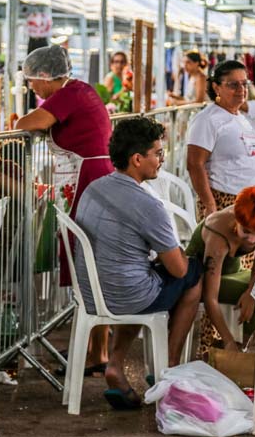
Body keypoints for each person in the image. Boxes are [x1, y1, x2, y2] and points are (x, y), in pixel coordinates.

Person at [74, 116, 202, 409]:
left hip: (92, 294)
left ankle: (115, 365)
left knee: (140, 275)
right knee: (194, 274)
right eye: (157, 153)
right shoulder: (148, 205)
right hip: (126, 295)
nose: (162, 159)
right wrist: (181, 252)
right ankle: (166, 367)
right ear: (136, 158)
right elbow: (178, 269)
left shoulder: (93, 188)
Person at [15, 44, 114, 375]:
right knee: (90, 267)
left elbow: (30, 122)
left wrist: (21, 119)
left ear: (45, 76)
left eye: (32, 81)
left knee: (88, 266)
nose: (32, 88)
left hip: (87, 183)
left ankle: (95, 348)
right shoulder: (79, 91)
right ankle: (95, 349)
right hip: (87, 180)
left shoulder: (68, 94)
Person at [187, 59, 255, 355]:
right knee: (218, 283)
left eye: (244, 83)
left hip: (249, 206)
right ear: (216, 87)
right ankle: (211, 351)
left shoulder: (238, 117)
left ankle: (232, 350)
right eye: (232, 84)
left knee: (241, 280)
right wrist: (210, 206)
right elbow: (194, 164)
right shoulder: (208, 119)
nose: (240, 89)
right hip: (225, 205)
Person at [185, 186, 255, 352]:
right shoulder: (218, 235)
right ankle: (248, 353)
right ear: (237, 219)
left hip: (232, 270)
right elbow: (210, 297)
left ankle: (253, 352)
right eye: (246, 231)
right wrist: (228, 341)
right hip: (196, 275)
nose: (252, 239)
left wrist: (251, 291)